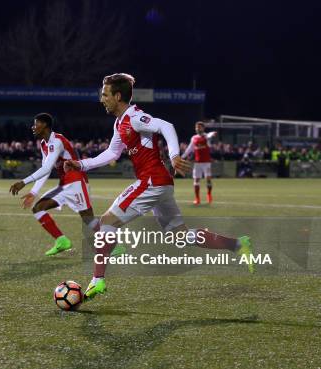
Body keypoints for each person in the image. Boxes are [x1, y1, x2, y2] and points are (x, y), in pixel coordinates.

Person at [63, 73, 254, 301]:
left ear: (117, 96)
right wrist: (80, 164)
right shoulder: (120, 122)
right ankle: (236, 244)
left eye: (104, 95)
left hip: (151, 181)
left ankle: (97, 281)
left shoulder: (135, 116)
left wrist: (174, 156)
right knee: (180, 237)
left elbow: (166, 126)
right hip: (160, 184)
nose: (101, 99)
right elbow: (112, 153)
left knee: (105, 222)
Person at [9, 113, 102, 256]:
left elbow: (46, 168)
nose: (33, 127)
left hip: (77, 181)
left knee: (87, 217)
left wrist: (23, 182)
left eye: (36, 124)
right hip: (65, 184)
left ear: (45, 125)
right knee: (38, 208)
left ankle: (113, 246)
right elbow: (45, 171)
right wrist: (33, 192)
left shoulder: (57, 140)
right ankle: (62, 241)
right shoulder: (44, 144)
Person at [181, 122, 217, 204]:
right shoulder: (194, 138)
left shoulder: (206, 136)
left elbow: (209, 135)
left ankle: (209, 195)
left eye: (199, 127)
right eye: (196, 127)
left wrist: (213, 133)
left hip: (206, 162)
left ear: (203, 128)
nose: (197, 129)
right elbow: (189, 149)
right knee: (196, 180)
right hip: (197, 163)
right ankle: (197, 199)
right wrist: (182, 157)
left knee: (208, 179)